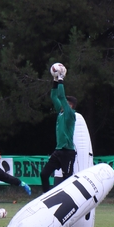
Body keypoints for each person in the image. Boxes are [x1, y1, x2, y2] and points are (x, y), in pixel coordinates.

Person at [39, 64, 77, 192]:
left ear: (69, 105)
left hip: (68, 152)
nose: (62, 103)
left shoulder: (70, 113)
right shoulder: (60, 112)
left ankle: (71, 203)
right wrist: (55, 81)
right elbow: (54, 97)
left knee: (67, 180)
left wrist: (61, 78)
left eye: (65, 102)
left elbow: (61, 97)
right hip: (58, 150)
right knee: (44, 174)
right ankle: (45, 197)